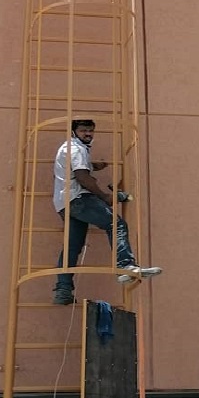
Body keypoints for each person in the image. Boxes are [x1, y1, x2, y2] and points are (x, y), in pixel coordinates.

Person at [51, 119, 161, 305]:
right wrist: (105, 197)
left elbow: (77, 167)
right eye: (83, 130)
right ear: (74, 131)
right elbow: (82, 177)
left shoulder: (70, 147)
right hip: (79, 199)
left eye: (90, 130)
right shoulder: (77, 149)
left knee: (72, 247)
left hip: (64, 203)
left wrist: (94, 166)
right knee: (116, 224)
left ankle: (63, 289)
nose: (88, 134)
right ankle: (125, 267)